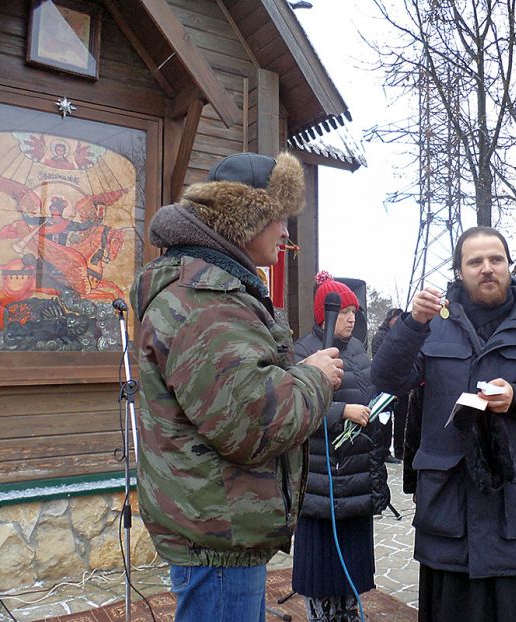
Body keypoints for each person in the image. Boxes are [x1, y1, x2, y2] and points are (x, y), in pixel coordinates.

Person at [131, 152, 344, 622]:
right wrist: (316, 378)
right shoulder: (207, 301)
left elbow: (238, 386)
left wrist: (296, 370)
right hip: (218, 536)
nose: (286, 231)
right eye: (278, 217)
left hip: (216, 526)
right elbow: (256, 424)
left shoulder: (210, 288)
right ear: (246, 217)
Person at [370, 226, 516, 622]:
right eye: (475, 261)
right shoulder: (433, 324)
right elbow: (387, 380)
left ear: (508, 265)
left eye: (496, 259)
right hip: (450, 512)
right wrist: (412, 324)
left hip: (515, 512)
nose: (487, 268)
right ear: (459, 271)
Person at [292, 272, 390, 622]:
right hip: (322, 478)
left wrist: (379, 407)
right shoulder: (304, 351)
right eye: (345, 310)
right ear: (325, 313)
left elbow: (371, 388)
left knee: (351, 559)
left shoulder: (361, 351)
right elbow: (294, 408)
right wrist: (340, 411)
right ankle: (320, 614)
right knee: (321, 563)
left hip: (356, 472)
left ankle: (350, 612)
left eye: (355, 310)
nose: (352, 317)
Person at [371, 308, 405, 463]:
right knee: (384, 418)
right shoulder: (380, 336)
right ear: (389, 319)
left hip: (401, 384)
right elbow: (381, 361)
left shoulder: (402, 335)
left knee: (400, 419)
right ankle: (383, 451)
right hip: (385, 386)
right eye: (395, 318)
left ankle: (399, 450)